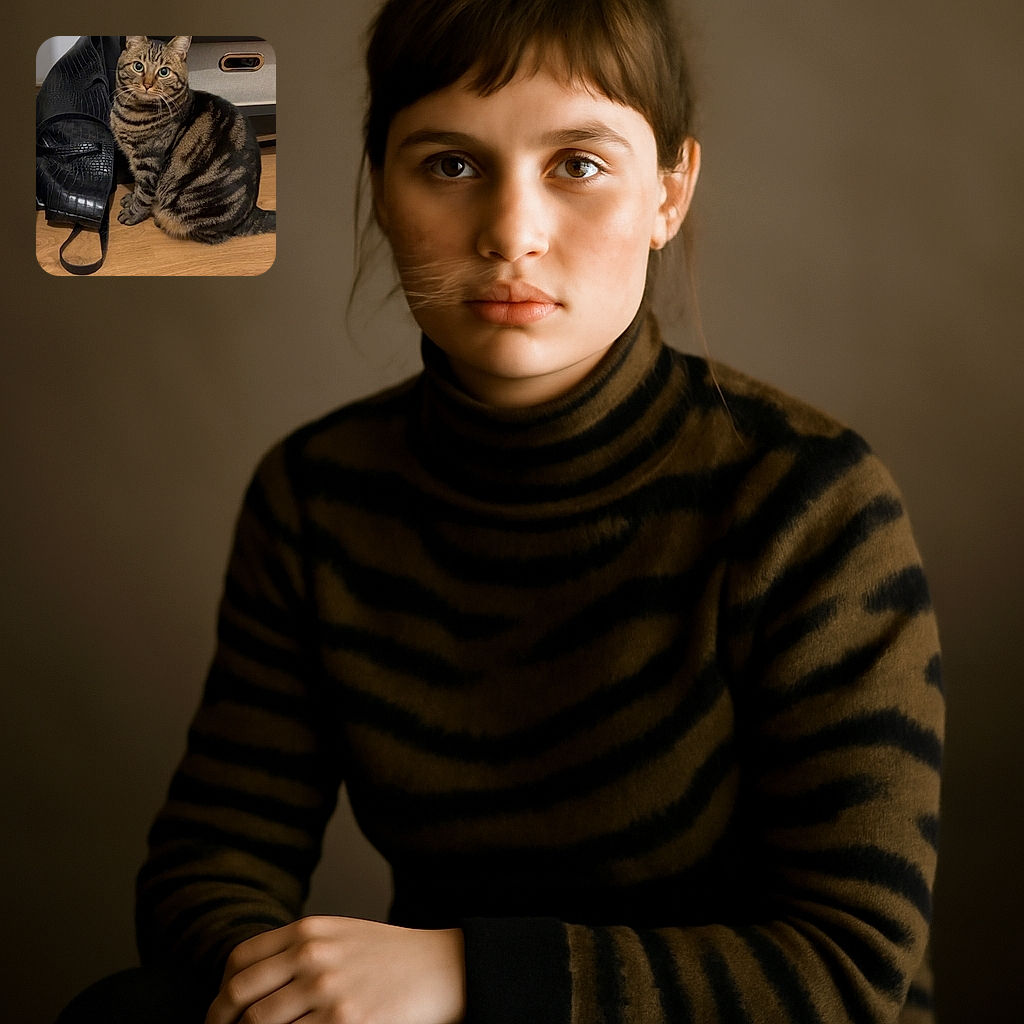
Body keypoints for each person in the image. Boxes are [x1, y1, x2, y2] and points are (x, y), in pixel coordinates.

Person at [57, 1, 943, 1021]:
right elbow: (208, 867)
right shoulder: (314, 496)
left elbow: (853, 967)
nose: (510, 233)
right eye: (448, 164)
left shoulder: (810, 502)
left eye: (578, 164)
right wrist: (288, 993)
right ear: (381, 189)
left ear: (670, 190)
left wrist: (467, 975)